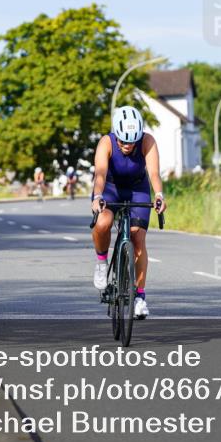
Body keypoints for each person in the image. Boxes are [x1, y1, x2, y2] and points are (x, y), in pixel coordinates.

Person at [90, 106, 167, 319]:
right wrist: (97, 198)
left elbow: (153, 173)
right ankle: (101, 262)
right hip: (110, 187)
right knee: (103, 223)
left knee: (137, 237)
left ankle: (140, 298)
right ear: (116, 135)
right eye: (122, 140)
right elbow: (100, 173)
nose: (126, 145)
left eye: (131, 141)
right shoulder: (106, 142)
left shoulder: (148, 141)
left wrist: (159, 195)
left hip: (137, 188)